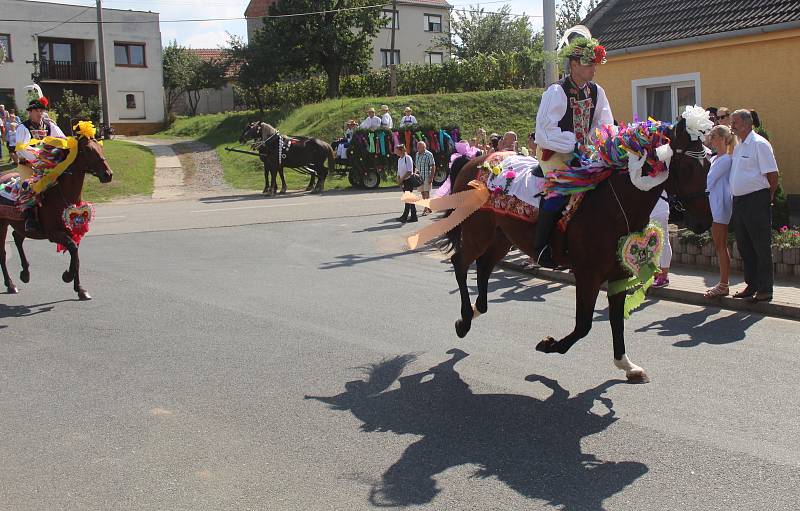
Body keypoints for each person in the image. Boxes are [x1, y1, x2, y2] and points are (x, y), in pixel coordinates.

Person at [532, 36, 613, 268]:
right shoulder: (557, 91)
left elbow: (604, 124)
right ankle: (540, 247)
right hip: (555, 151)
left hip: (585, 152)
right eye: (589, 64)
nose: (594, 69)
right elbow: (544, 132)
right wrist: (573, 144)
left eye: (595, 64)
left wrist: (597, 142)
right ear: (574, 65)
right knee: (559, 191)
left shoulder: (597, 92)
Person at [729, 109, 778, 302]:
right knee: (744, 245)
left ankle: (766, 288)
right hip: (740, 202)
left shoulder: (759, 144)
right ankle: (752, 284)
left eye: (735, 122)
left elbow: (772, 175)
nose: (731, 125)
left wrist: (768, 197)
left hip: (756, 200)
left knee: (760, 245)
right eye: (731, 122)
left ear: (748, 124)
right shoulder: (739, 145)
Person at [15, 95, 66, 233]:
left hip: (48, 165)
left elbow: (63, 140)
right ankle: (29, 218)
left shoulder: (49, 125)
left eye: (41, 110)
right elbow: (22, 148)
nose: (39, 113)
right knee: (29, 186)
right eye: (36, 110)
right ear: (30, 112)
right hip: (28, 165)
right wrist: (39, 159)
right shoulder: (23, 127)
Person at [703, 124, 736, 298]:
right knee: (718, 245)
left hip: (721, 204)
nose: (711, 139)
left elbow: (709, 179)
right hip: (714, 203)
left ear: (723, 138)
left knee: (721, 245)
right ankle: (723, 283)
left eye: (714, 136)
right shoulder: (716, 158)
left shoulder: (726, 160)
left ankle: (724, 285)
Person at [649, 194, 672, 288]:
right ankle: (657, 275)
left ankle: (663, 276)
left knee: (662, 242)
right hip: (654, 207)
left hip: (658, 207)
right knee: (652, 243)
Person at [395, 144, 418, 223]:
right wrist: (398, 179)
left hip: (408, 180)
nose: (395, 152)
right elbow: (399, 171)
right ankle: (408, 216)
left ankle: (410, 217)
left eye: (397, 150)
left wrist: (401, 179)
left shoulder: (408, 158)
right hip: (403, 181)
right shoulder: (399, 159)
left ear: (401, 150)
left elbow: (409, 171)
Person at [414, 140, 436, 215]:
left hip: (427, 176)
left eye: (419, 147)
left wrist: (431, 177)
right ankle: (429, 207)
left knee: (426, 192)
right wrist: (415, 173)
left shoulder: (429, 154)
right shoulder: (417, 154)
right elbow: (416, 165)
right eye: (417, 146)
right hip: (419, 177)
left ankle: (425, 208)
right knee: (422, 193)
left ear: (424, 147)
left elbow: (433, 166)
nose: (417, 148)